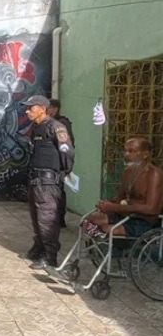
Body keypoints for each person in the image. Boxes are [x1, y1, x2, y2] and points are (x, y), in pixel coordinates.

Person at [20, 95, 74, 269]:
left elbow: (67, 152)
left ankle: (50, 256)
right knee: (36, 217)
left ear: (42, 109)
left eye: (31, 108)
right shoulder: (37, 128)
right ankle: (39, 248)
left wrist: (64, 172)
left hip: (48, 182)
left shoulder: (56, 127)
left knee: (47, 218)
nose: (27, 111)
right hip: (35, 179)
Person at [84, 137, 162, 238]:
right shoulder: (128, 171)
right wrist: (106, 204)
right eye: (125, 151)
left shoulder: (154, 174)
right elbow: (120, 198)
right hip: (124, 215)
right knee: (90, 219)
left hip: (143, 222)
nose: (126, 155)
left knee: (105, 228)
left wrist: (114, 207)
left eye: (131, 151)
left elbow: (152, 209)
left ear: (145, 154)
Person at [48, 99, 75, 228]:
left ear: (55, 109)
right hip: (51, 163)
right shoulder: (48, 123)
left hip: (59, 164)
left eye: (49, 108)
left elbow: (66, 147)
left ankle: (59, 218)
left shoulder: (61, 123)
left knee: (58, 191)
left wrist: (66, 167)